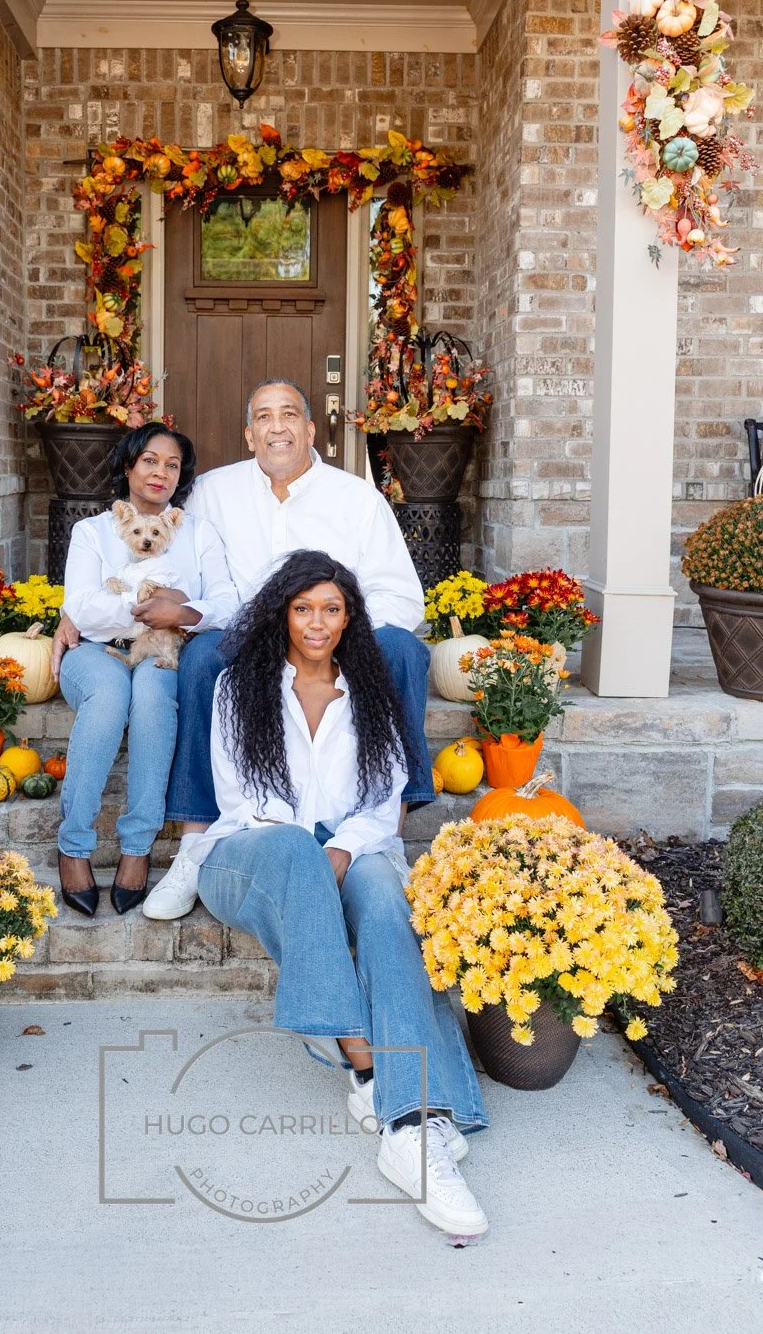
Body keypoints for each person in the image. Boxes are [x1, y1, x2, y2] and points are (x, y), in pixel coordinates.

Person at [185, 549, 489, 1238]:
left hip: (350, 845)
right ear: (282, 615)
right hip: (248, 854)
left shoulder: (372, 686)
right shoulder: (241, 686)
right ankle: (368, 1064)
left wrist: (345, 849)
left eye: (331, 608)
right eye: (303, 609)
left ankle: (409, 1125)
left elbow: (385, 801)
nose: (317, 623)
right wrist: (311, 857)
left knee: (386, 901)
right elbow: (243, 801)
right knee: (294, 848)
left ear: (349, 616)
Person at [53, 378, 435, 921]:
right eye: (263, 417)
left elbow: (401, 595)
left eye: (288, 415)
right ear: (248, 434)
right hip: (248, 634)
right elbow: (159, 551)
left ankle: (388, 838)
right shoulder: (212, 491)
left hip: (332, 633)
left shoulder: (357, 499)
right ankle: (194, 844)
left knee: (400, 648)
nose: (276, 426)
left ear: (309, 428)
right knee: (203, 655)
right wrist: (74, 610)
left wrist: (334, 631)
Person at [55, 422, 238, 916]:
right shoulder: (91, 532)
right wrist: (152, 604)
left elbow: (226, 601)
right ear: (129, 466)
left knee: (156, 698)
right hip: (98, 650)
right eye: (150, 461)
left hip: (167, 645)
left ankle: (137, 847)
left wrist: (181, 613)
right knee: (111, 698)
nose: (161, 472)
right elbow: (83, 607)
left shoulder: (198, 534)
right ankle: (73, 845)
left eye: (173, 465)